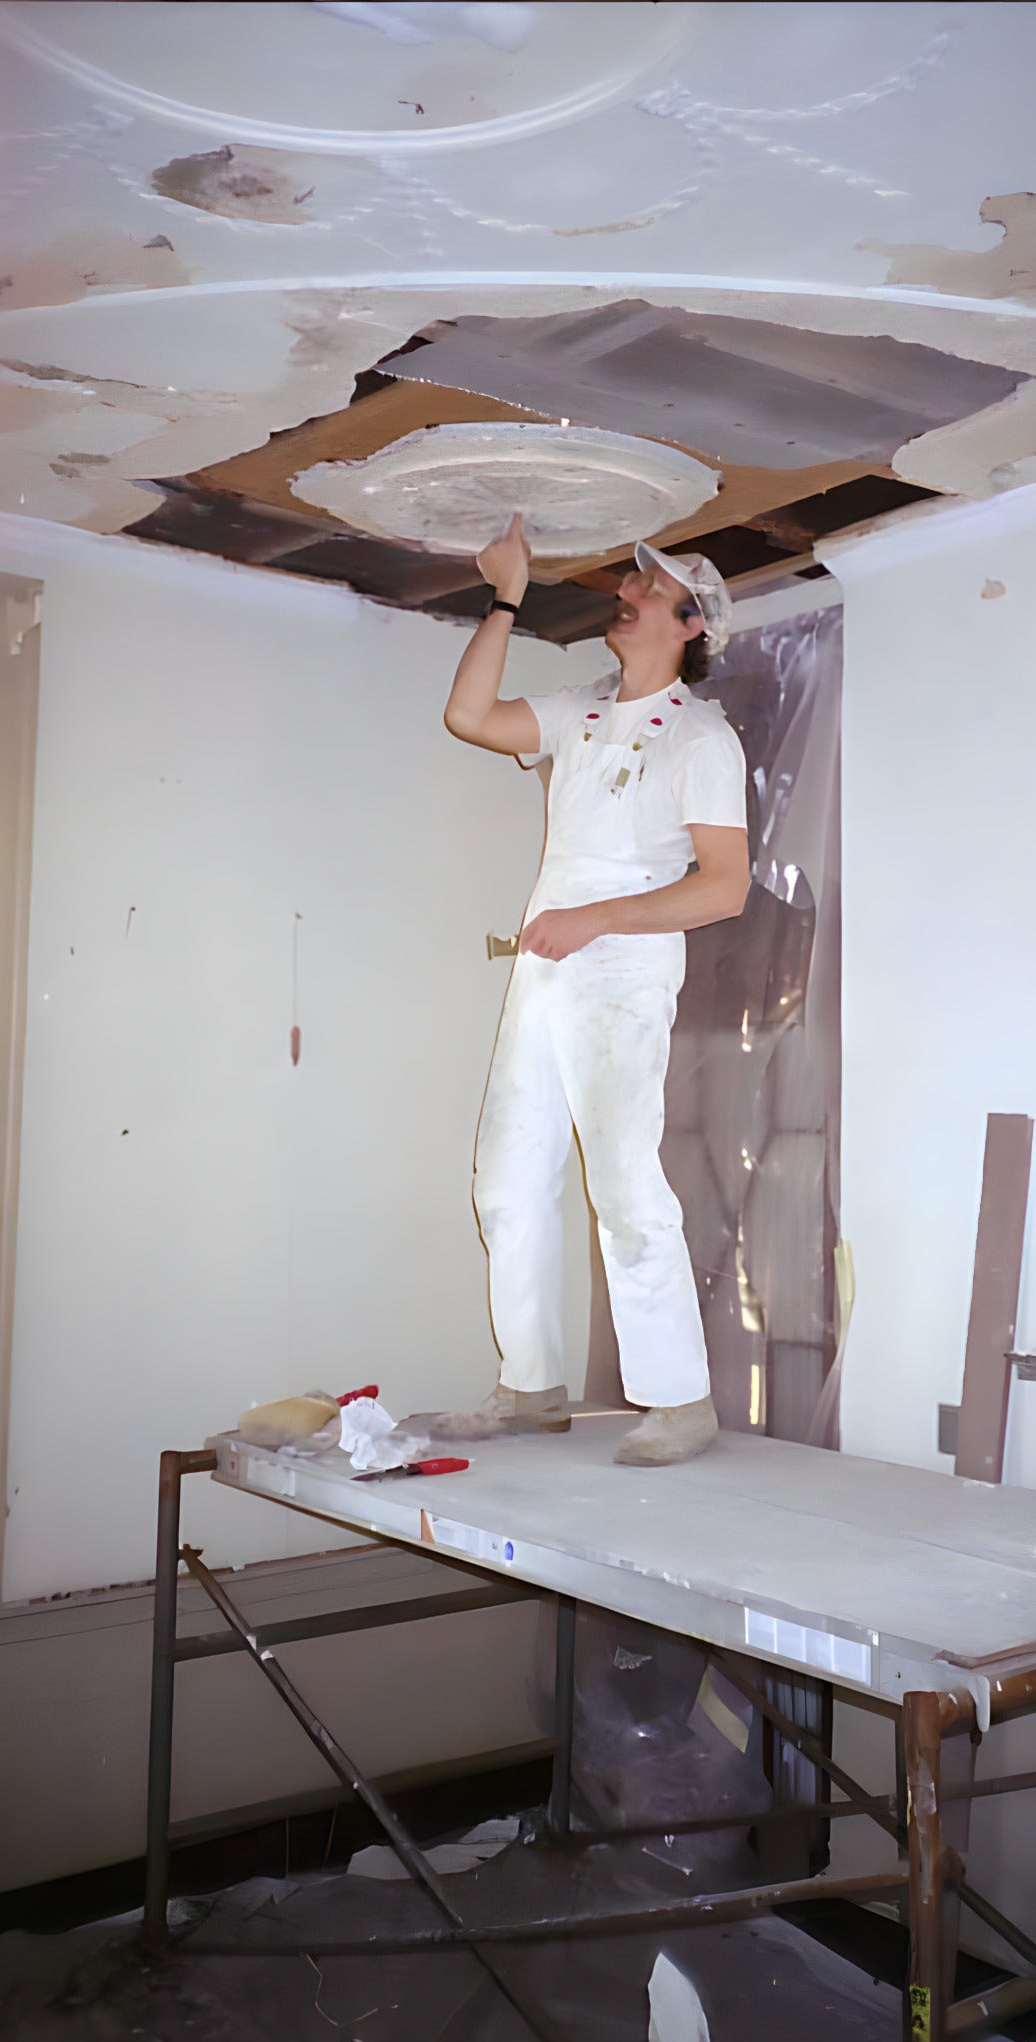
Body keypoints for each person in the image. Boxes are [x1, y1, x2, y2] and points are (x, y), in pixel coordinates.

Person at [440, 515, 749, 1465]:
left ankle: (679, 1401)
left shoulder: (702, 738)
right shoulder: (577, 709)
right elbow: (469, 715)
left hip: (618, 970)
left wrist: (598, 920)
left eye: (650, 588)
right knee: (506, 1179)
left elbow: (723, 887)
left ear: (691, 622)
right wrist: (505, 597)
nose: (628, 591)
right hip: (547, 965)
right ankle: (529, 1385)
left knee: (622, 1179)